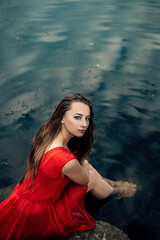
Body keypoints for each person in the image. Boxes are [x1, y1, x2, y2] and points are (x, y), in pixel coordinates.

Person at [0, 93, 136, 240]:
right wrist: (83, 158)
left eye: (87, 118)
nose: (84, 124)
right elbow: (84, 180)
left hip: (23, 200)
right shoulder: (65, 159)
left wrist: (82, 162)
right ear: (62, 117)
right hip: (40, 214)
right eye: (77, 117)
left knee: (86, 167)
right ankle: (116, 191)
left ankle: (113, 185)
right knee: (91, 176)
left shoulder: (46, 133)